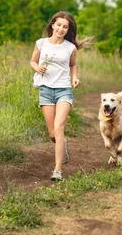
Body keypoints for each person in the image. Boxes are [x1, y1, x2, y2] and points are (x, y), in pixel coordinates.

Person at [29, 11, 92, 181]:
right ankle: (62, 145)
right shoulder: (41, 44)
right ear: (52, 25)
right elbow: (32, 61)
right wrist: (37, 68)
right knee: (53, 134)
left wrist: (75, 77)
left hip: (64, 89)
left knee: (59, 127)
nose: (61, 29)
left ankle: (57, 170)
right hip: (46, 90)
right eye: (59, 25)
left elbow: (73, 65)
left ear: (68, 29)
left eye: (65, 27)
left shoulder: (70, 48)